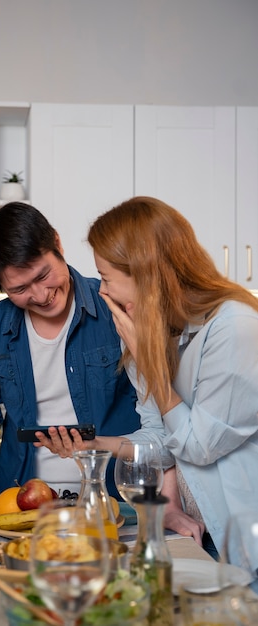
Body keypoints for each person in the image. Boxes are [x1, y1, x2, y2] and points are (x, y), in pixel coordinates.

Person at [41, 195, 258, 560]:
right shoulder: (153, 335)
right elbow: (162, 441)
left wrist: (148, 361)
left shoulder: (234, 328)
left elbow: (197, 446)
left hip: (243, 538)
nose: (103, 290)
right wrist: (91, 445)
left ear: (146, 272)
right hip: (199, 533)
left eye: (107, 278)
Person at [0, 202, 141, 517]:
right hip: (20, 505)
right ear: (2, 286)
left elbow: (157, 415)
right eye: (19, 288)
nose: (41, 295)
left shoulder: (116, 308)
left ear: (57, 243)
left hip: (115, 500)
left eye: (43, 275)